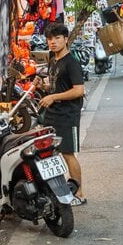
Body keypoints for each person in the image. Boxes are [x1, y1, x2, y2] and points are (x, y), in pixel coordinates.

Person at [38, 23, 86, 206]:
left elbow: (79, 90)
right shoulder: (53, 61)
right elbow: (57, 85)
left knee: (68, 154)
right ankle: (59, 191)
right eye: (50, 39)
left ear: (66, 40)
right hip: (52, 115)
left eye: (57, 38)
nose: (53, 42)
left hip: (68, 115)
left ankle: (80, 193)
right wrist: (44, 87)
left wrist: (54, 96)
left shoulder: (71, 63)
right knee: (51, 153)